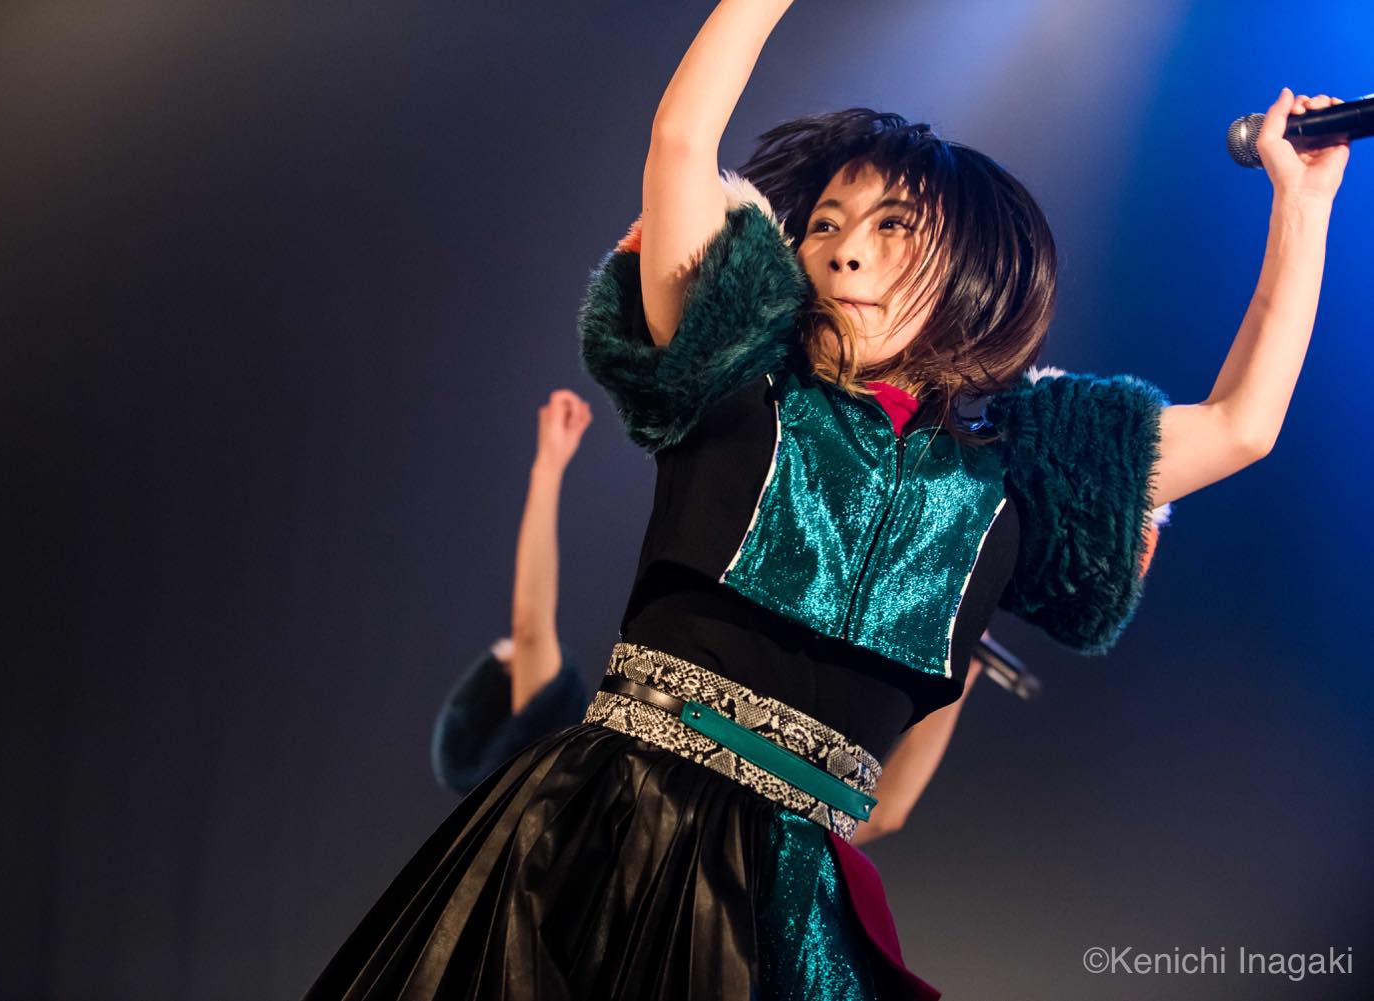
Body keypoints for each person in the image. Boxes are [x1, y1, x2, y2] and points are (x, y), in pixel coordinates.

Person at [303, 2, 1350, 997]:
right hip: (602, 846)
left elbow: (1242, 423)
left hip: (794, 911)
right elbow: (682, 142)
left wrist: (1301, 207)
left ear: (972, 267)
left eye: (893, 224)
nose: (846, 246)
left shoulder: (1012, 487)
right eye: (826, 223)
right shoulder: (734, 378)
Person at [430, 388, 992, 846]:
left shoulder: (544, 834)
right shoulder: (582, 771)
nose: (521, 650)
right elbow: (884, 812)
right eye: (508, 662)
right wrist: (548, 465)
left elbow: (887, 815)